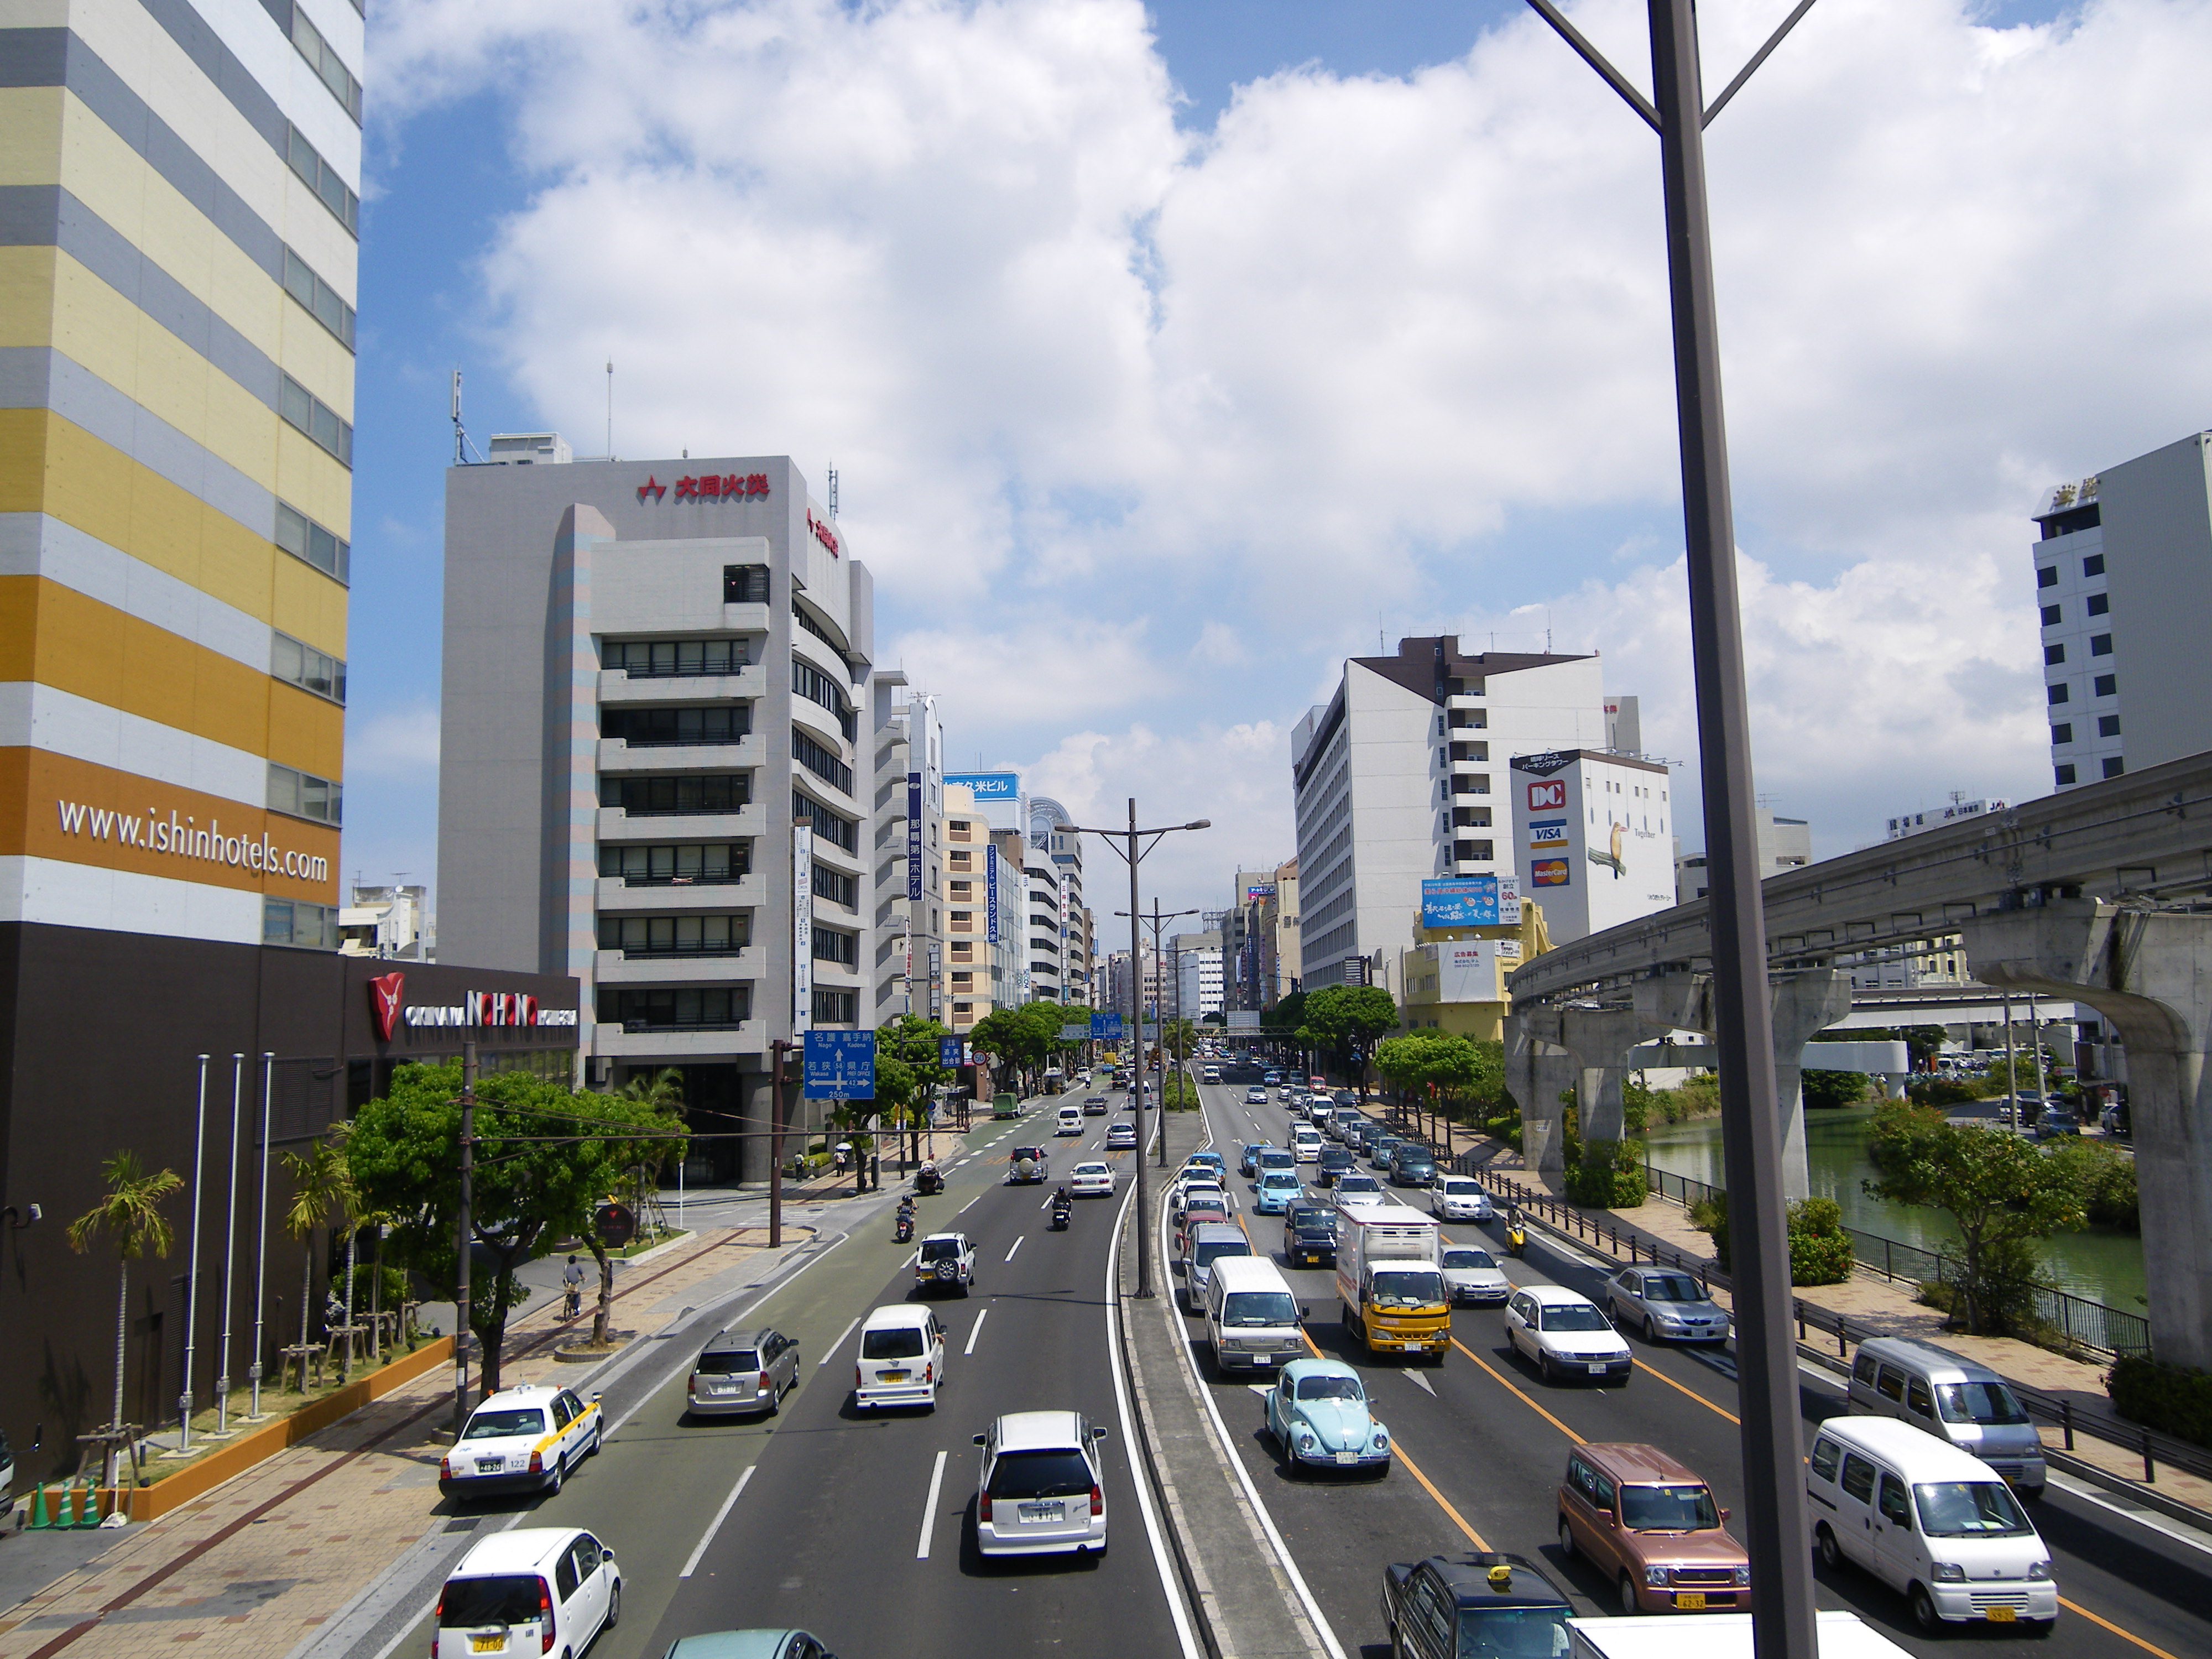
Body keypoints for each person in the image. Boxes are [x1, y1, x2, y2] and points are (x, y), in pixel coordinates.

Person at [561, 1254, 586, 1318]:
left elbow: (565, 1274)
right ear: (575, 1260)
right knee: (577, 1295)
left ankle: (568, 1301)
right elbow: (581, 1275)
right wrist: (584, 1279)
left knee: (569, 1293)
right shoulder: (577, 1266)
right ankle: (576, 1309)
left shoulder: (566, 1267)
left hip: (567, 1284)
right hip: (574, 1284)